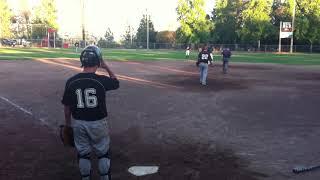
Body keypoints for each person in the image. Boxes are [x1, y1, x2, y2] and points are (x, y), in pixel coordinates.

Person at [61, 45, 119, 180]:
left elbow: (67, 106)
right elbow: (116, 83)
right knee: (103, 153)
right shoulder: (101, 80)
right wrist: (106, 66)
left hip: (79, 123)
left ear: (83, 61)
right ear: (98, 61)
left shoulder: (71, 81)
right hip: (98, 123)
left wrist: (68, 124)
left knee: (83, 154)